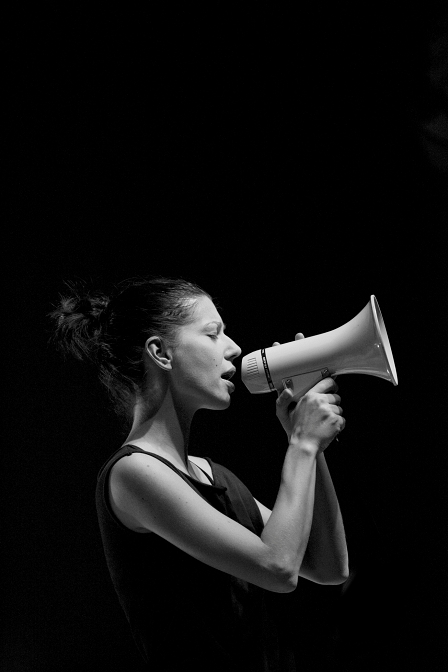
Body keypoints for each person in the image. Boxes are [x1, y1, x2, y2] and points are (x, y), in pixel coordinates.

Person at [49, 275, 348, 672]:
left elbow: (328, 568)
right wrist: (303, 446)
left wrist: (307, 441)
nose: (235, 348)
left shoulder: (216, 476)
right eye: (213, 333)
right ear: (160, 352)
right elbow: (277, 568)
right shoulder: (133, 472)